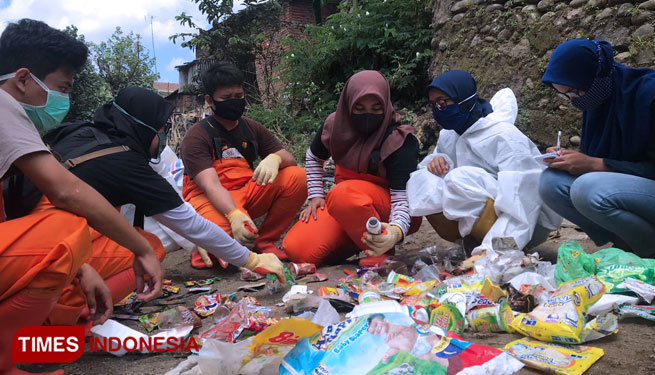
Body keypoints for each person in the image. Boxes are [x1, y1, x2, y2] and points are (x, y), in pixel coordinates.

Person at [15, 86, 286, 309]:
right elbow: (189, 223)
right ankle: (72, 307)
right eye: (161, 127)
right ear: (143, 127)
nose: (164, 135)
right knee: (148, 247)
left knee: (128, 238)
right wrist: (252, 260)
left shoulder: (81, 132)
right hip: (51, 247)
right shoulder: (124, 162)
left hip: (24, 232)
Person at [0, 19, 162, 375]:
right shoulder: (2, 104)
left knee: (77, 245)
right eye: (62, 88)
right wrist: (141, 249)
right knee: (69, 231)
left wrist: (82, 267)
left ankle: (36, 340)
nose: (64, 101)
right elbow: (65, 191)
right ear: (23, 79)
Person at [410, 70, 561, 257]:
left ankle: (502, 247)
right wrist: (437, 162)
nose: (437, 109)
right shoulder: (450, 135)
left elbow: (522, 197)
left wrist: (500, 249)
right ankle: (475, 240)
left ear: (463, 99)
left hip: (528, 220)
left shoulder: (504, 136)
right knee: (422, 179)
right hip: (486, 211)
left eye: (443, 102)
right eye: (433, 104)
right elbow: (435, 170)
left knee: (458, 179)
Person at [282, 70, 421, 265]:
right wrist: (316, 195)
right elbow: (313, 157)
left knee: (343, 194)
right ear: (348, 104)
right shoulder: (335, 125)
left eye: (376, 108)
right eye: (359, 108)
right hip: (344, 207)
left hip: (388, 209)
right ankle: (359, 238)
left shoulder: (399, 140)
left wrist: (395, 231)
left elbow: (402, 200)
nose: (367, 115)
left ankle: (380, 253)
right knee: (297, 249)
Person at [538, 39, 655, 258]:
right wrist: (573, 159)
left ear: (594, 77)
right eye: (563, 95)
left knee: (587, 188)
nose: (571, 101)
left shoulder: (651, 97)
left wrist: (594, 164)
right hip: (635, 192)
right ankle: (627, 243)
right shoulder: (598, 98)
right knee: (550, 183)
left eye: (574, 93)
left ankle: (650, 250)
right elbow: (603, 159)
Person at [180, 62, 306, 265]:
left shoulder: (251, 128)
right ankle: (207, 243)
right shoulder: (196, 136)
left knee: (296, 176)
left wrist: (276, 158)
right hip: (209, 198)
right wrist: (233, 214)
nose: (234, 102)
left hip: (247, 190)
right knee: (223, 251)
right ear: (209, 100)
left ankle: (265, 241)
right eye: (226, 98)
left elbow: (289, 157)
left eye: (238, 96)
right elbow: (210, 185)